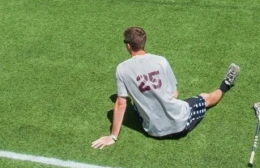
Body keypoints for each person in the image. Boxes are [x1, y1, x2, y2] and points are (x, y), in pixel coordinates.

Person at [91, 27, 239, 148]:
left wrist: (113, 137)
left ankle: (225, 84)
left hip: (152, 130)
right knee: (205, 97)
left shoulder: (121, 69)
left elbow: (121, 103)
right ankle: (226, 84)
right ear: (143, 43)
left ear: (128, 45)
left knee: (136, 105)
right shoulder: (160, 61)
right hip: (181, 124)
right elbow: (175, 93)